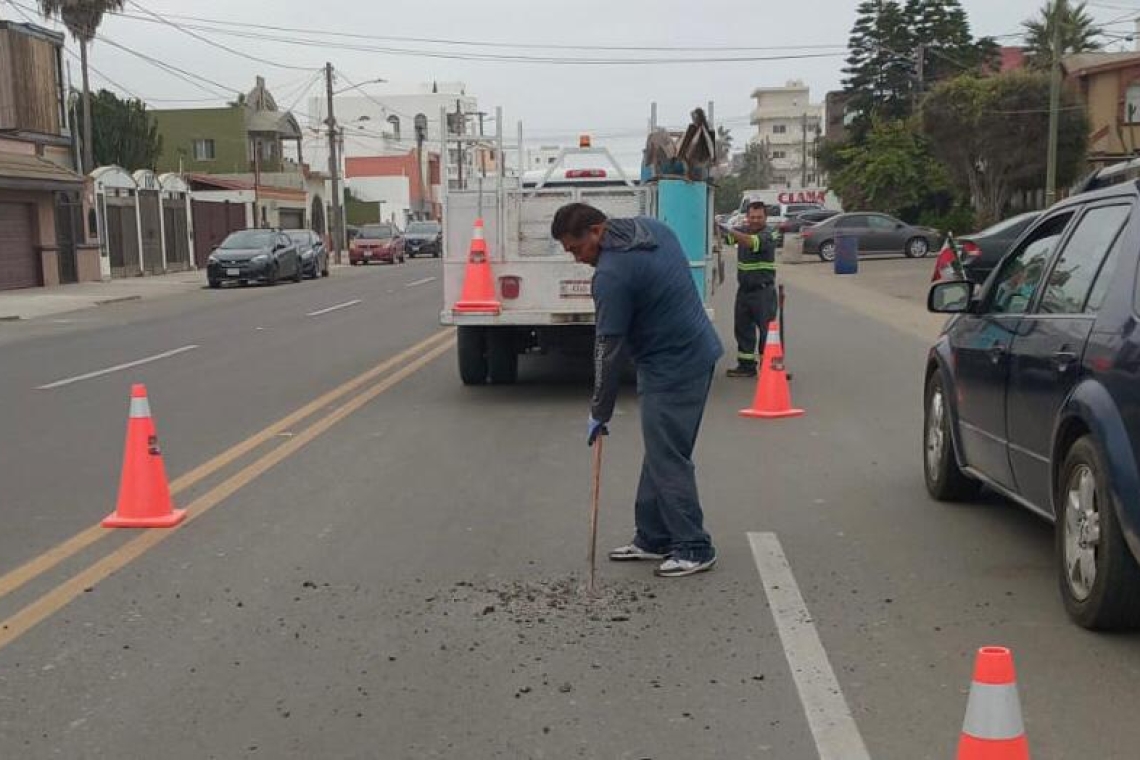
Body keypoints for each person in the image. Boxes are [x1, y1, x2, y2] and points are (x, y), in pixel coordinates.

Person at [551, 203, 723, 578]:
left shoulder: (612, 275)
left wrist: (600, 411)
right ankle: (653, 536)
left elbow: (607, 351)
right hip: (688, 351)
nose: (577, 259)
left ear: (597, 231)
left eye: (576, 249)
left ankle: (694, 546)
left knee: (668, 456)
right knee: (661, 450)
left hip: (676, 365)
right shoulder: (651, 229)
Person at [720, 200, 778, 378]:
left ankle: (770, 367)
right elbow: (727, 239)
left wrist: (729, 230)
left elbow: (750, 242)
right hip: (744, 290)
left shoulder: (770, 233)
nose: (755, 220)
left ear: (765, 218)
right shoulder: (743, 230)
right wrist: (717, 227)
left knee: (767, 331)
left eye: (759, 217)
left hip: (763, 291)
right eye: (752, 217)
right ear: (747, 217)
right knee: (743, 328)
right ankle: (746, 366)